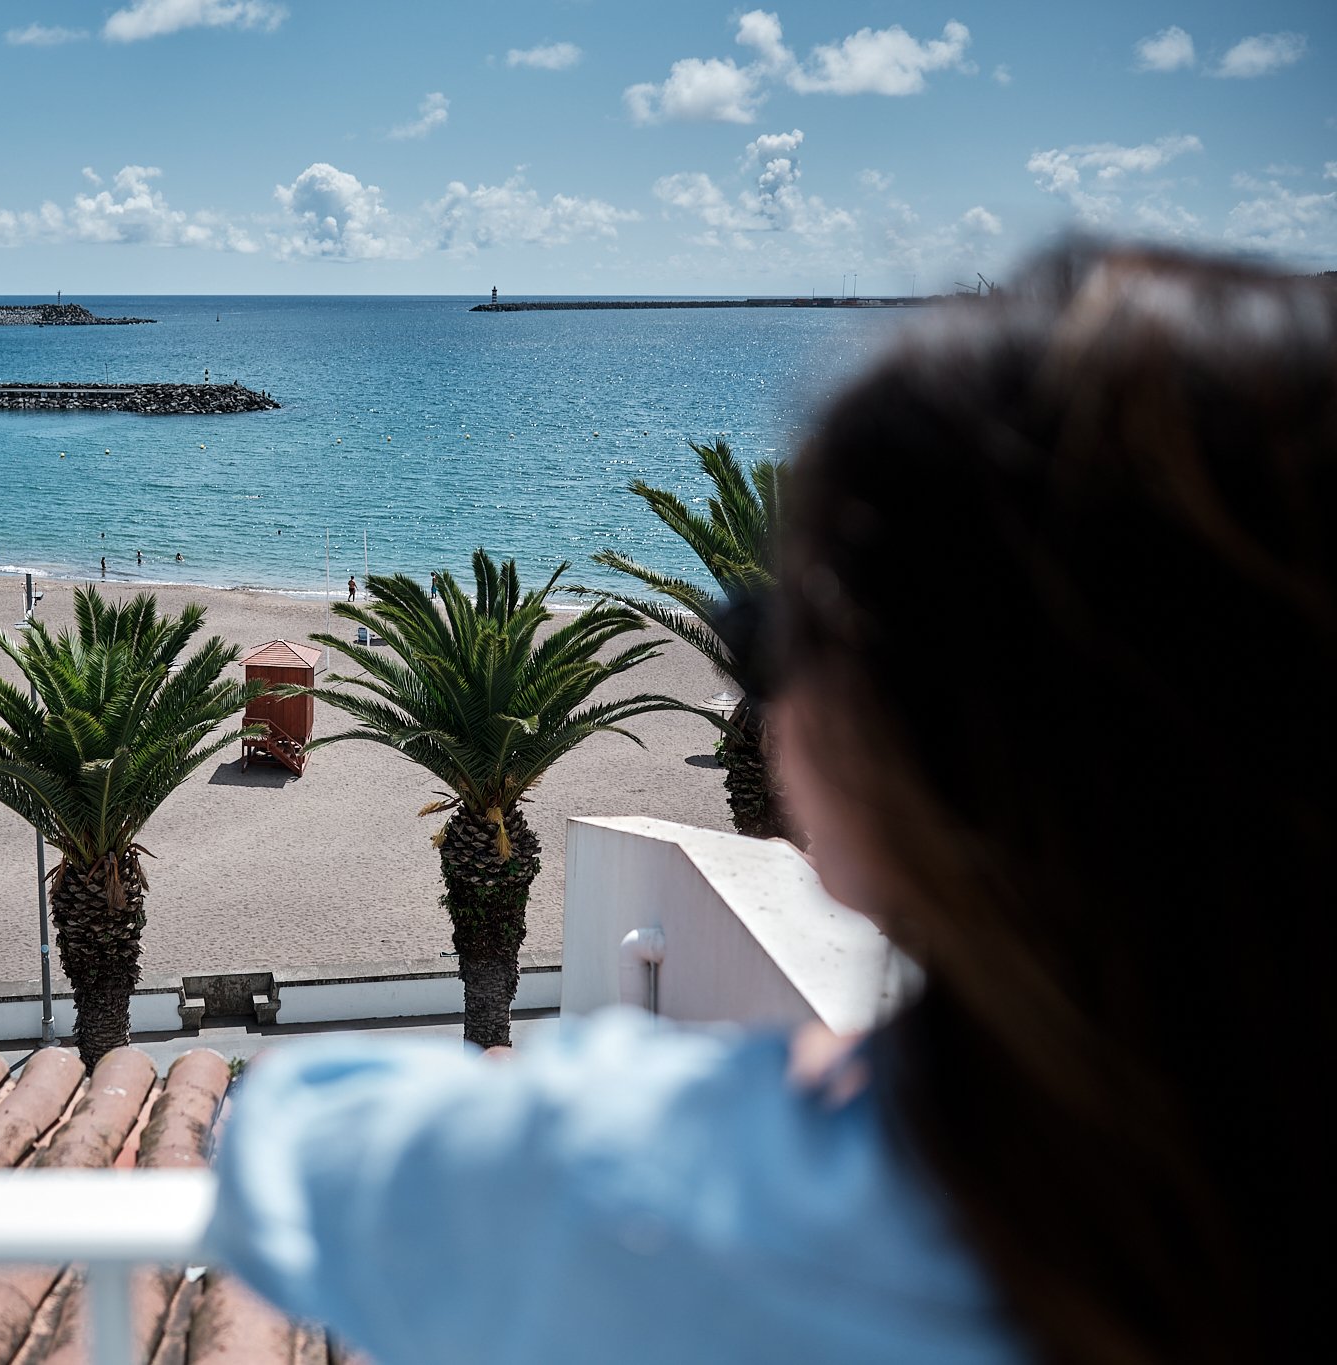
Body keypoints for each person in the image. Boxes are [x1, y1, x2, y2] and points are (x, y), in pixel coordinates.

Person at [206, 245, 1330, 1364]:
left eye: (777, 629)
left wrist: (773, 1092)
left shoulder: (672, 1176)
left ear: (904, 733)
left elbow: (288, 1150)